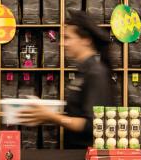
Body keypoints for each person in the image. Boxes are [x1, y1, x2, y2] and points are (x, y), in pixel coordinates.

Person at [18, 10, 117, 149]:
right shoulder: (83, 70)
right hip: (77, 155)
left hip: (89, 159)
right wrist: (46, 110)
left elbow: (93, 124)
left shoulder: (96, 72)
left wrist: (52, 117)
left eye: (67, 38)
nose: (62, 44)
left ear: (85, 40)